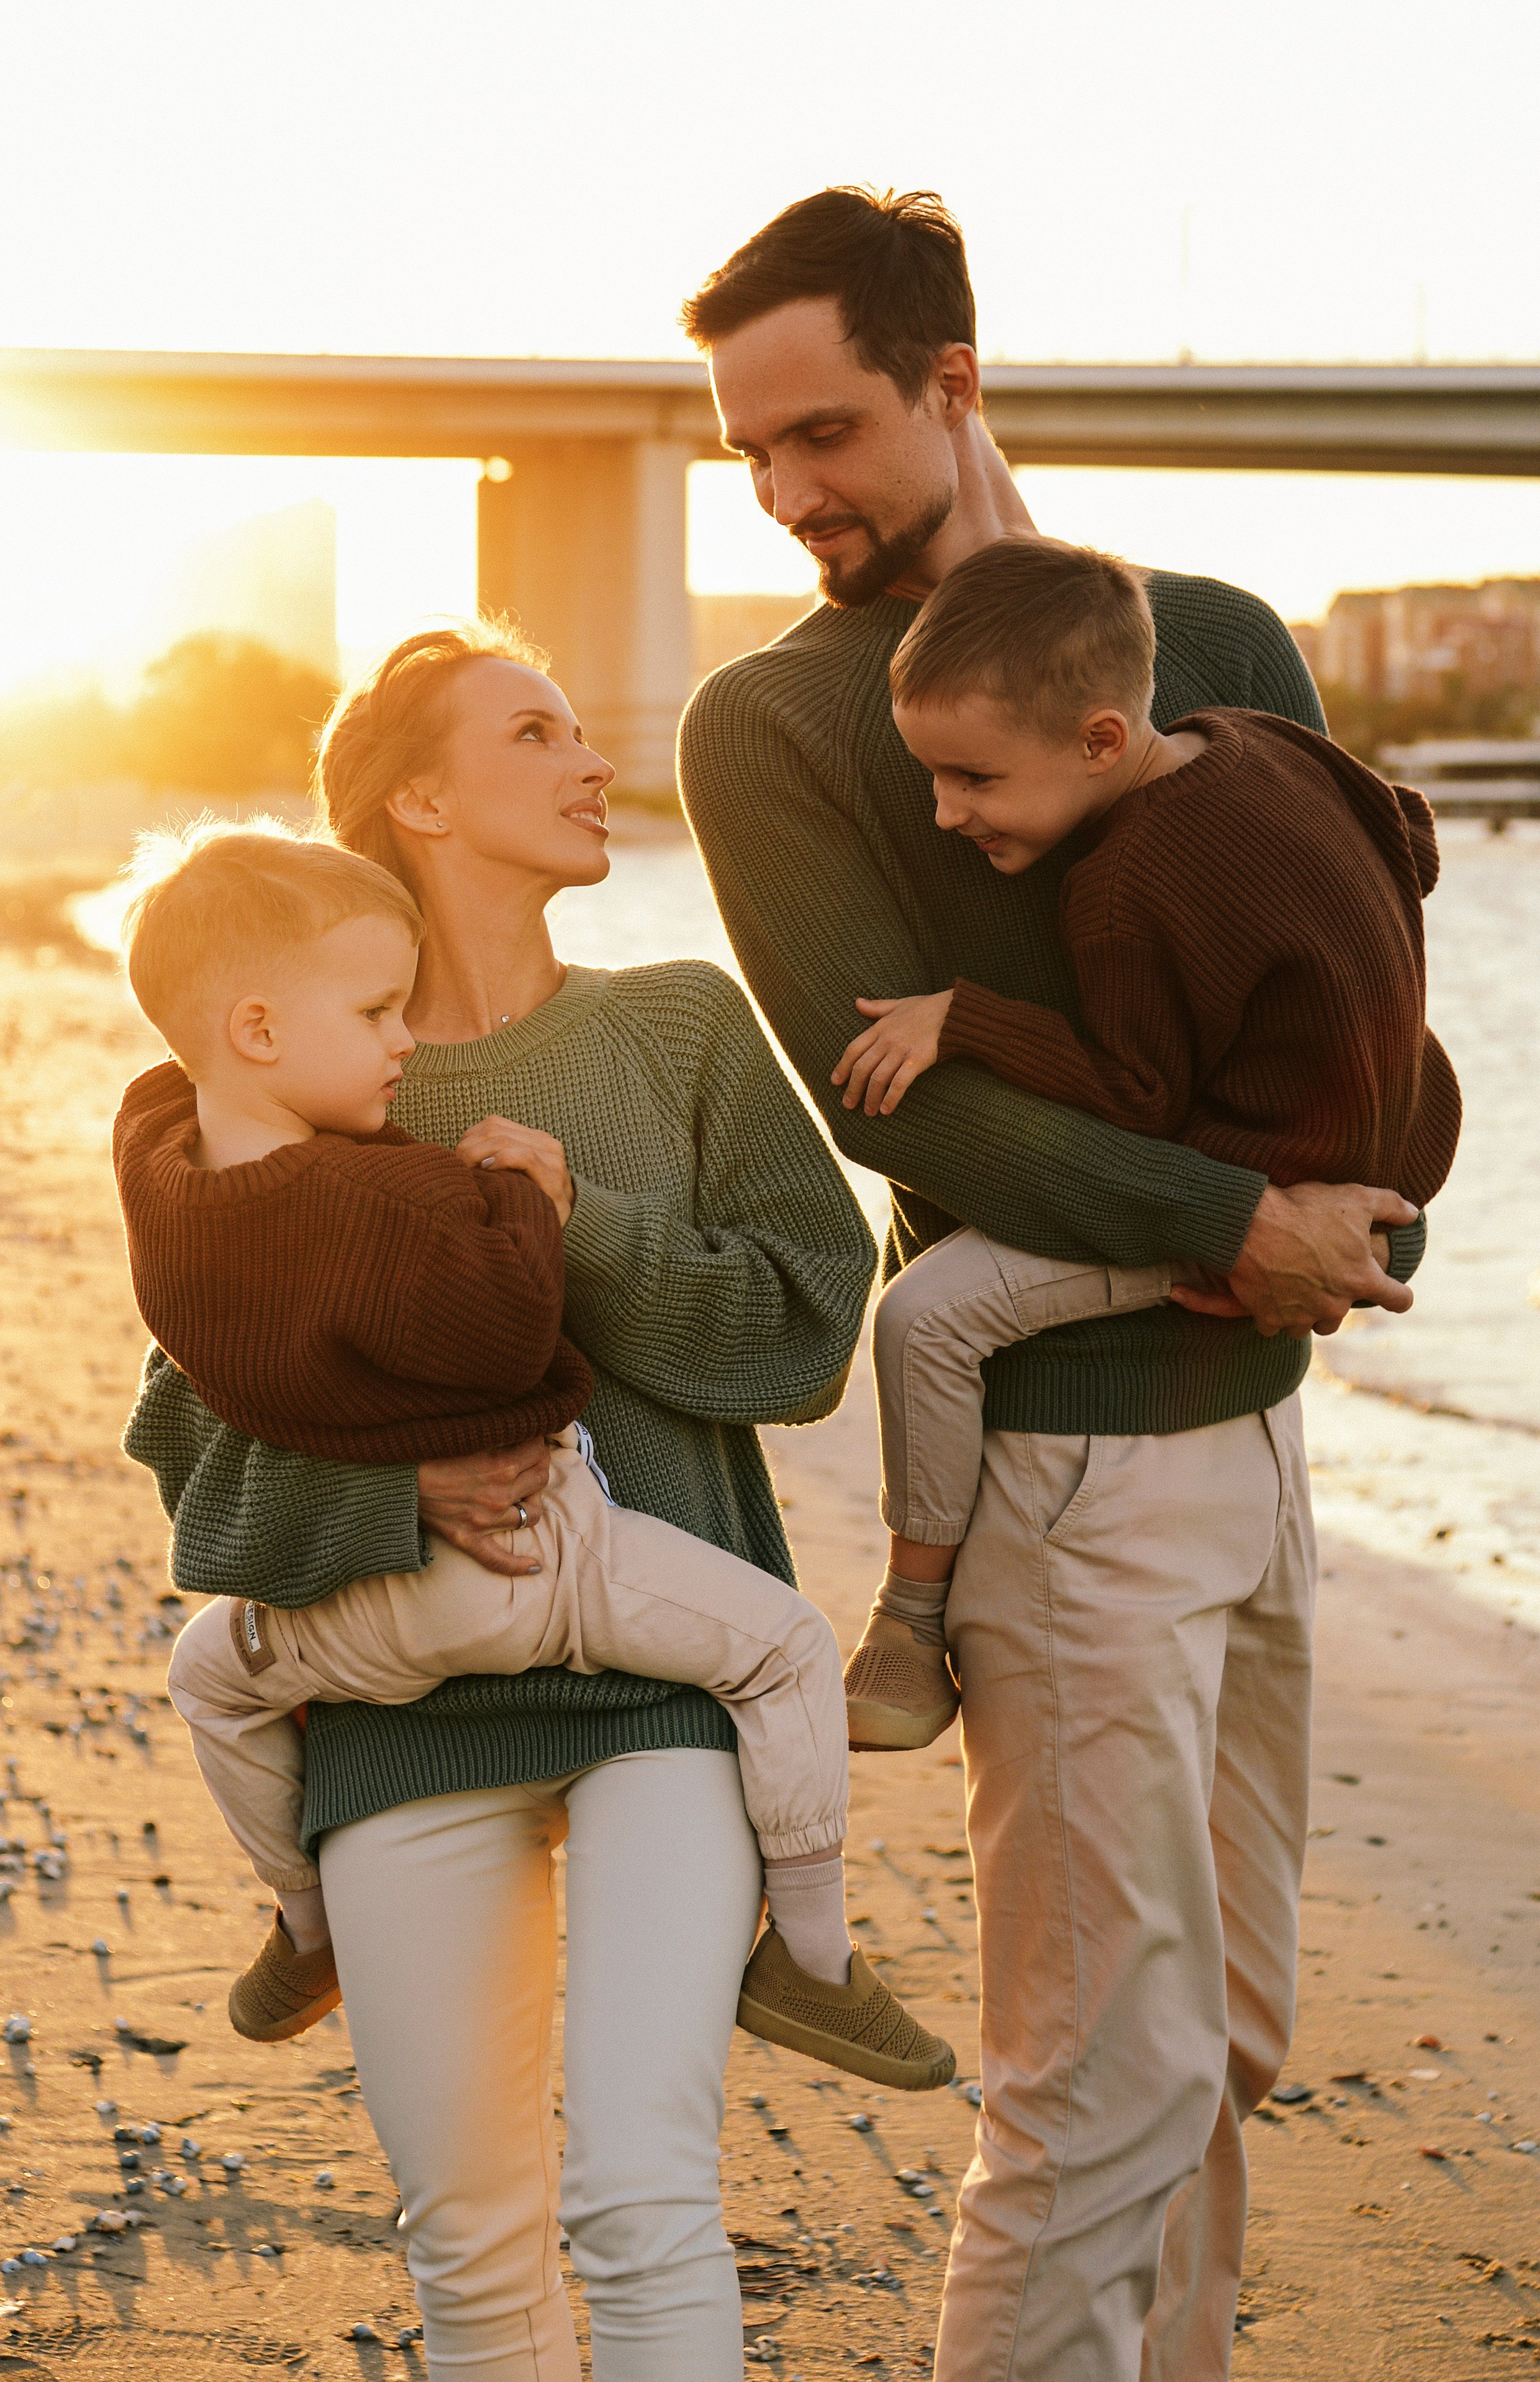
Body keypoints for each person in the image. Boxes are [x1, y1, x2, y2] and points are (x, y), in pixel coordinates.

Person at [677, 186, 1426, 2381]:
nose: (787, 490)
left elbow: (1364, 987)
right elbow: (901, 1112)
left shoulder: (1224, 638)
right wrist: (1236, 1225)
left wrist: (1376, 1217)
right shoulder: (772, 720)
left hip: (1259, 1443)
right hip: (1063, 1471)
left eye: (822, 432)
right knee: (1097, 2081)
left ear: (954, 380)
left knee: (1231, 2043)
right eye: (750, 454)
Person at [122, 617, 879, 2381]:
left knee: (640, 2196)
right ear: (421, 801)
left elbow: (806, 1328)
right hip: (400, 1716)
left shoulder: (676, 1023)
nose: (591, 759)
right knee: (467, 2236)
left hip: (661, 1692)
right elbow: (187, 1449)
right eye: (534, 732)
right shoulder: (283, 1082)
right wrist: (397, 1494)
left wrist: (575, 1220)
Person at [116, 816, 950, 2091]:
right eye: (375, 1013)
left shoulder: (171, 1180)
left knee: (206, 1677)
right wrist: (527, 1205)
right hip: (544, 1569)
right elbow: (505, 1334)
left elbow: (803, 1331)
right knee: (787, 1648)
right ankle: (817, 1957)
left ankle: (302, 1921)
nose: (399, 1042)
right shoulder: (385, 1179)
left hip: (349, 1630)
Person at [831, 535, 1459, 1746]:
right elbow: (1411, 838)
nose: (945, 813)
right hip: (1401, 1139)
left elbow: (1135, 1102)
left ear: (1100, 741)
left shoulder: (1123, 884)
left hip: (1260, 1179)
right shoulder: (1257, 742)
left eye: (972, 779)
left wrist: (966, 1019)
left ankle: (908, 1625)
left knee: (920, 1319)